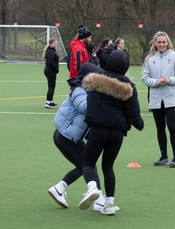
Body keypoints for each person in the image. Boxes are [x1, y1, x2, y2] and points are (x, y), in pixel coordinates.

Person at [48, 63, 120, 212]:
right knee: (90, 164)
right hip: (67, 136)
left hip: (66, 136)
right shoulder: (78, 90)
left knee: (82, 167)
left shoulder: (87, 90)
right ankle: (99, 200)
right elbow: (85, 107)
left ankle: (59, 188)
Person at [78, 50, 144, 215]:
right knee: (108, 166)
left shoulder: (94, 81)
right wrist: (139, 124)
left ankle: (92, 187)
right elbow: (134, 114)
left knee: (88, 163)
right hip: (117, 133)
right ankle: (109, 204)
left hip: (97, 130)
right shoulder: (129, 87)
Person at [142, 31, 175, 168]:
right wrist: (156, 82)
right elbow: (145, 78)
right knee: (160, 128)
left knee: (172, 127)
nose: (161, 44)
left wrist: (168, 80)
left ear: (167, 43)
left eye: (163, 42)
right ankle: (163, 156)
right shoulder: (150, 58)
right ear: (155, 43)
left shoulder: (174, 57)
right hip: (156, 98)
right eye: (159, 42)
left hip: (171, 98)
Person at [43, 38, 59, 109]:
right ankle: (48, 102)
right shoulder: (51, 52)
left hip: (50, 70)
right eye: (54, 43)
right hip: (50, 71)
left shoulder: (51, 50)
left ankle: (51, 101)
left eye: (56, 43)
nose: (56, 44)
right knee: (51, 87)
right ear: (50, 44)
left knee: (52, 86)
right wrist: (56, 69)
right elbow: (50, 62)